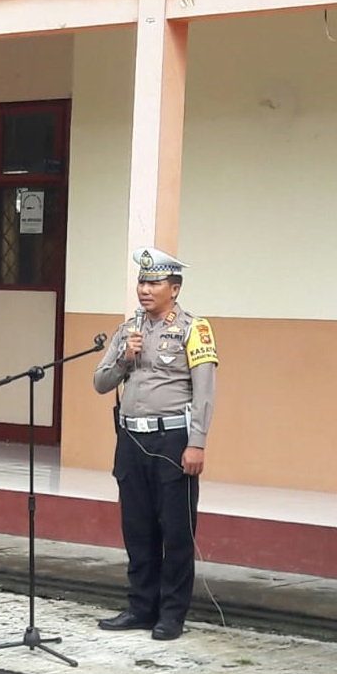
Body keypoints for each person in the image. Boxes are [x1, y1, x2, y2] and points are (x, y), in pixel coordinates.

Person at [92, 247, 218, 642]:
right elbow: (100, 382)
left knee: (176, 531)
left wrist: (196, 443)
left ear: (174, 289)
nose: (145, 290)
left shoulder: (195, 329)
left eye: (154, 282)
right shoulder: (129, 329)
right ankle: (140, 607)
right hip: (131, 438)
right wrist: (125, 359)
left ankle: (171, 613)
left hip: (173, 439)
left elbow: (205, 393)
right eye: (142, 282)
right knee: (138, 528)